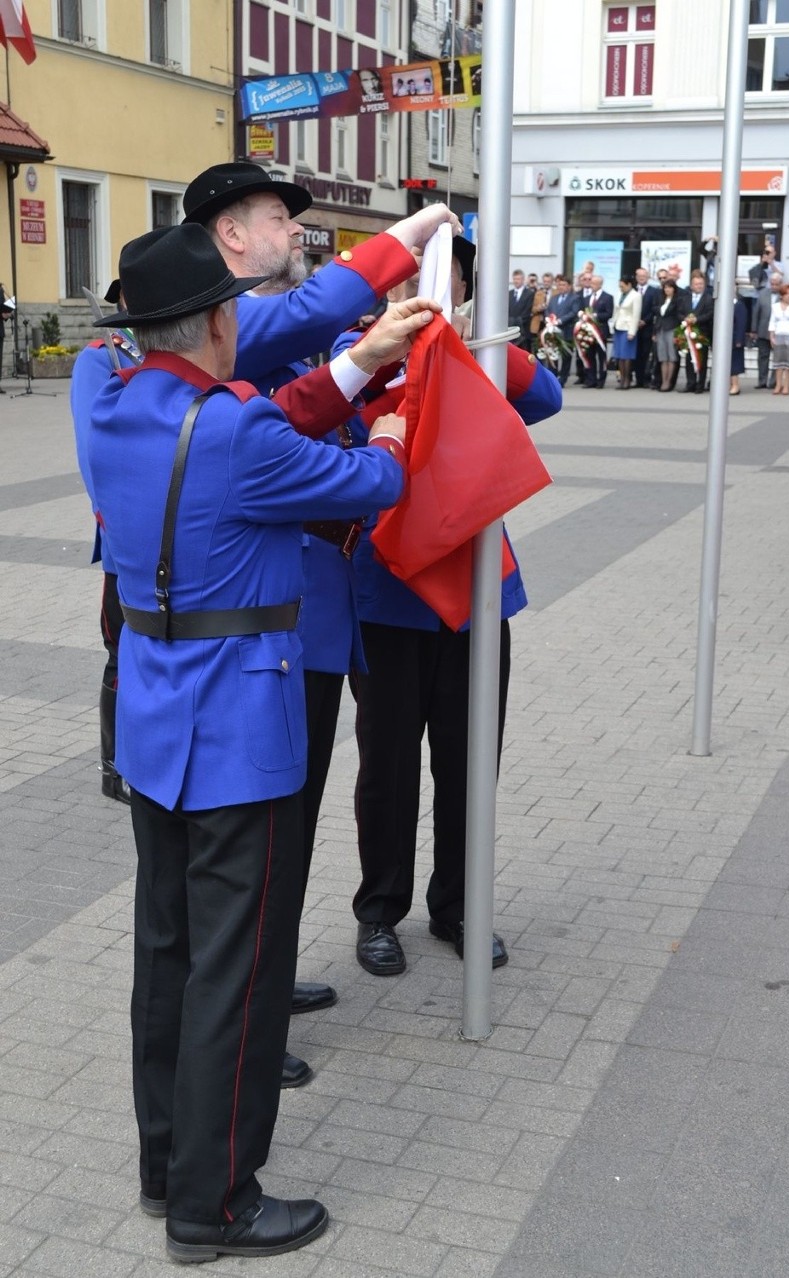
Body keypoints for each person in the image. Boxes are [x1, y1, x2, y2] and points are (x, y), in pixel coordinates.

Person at [87, 223, 436, 1262]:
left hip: (155, 721)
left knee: (168, 956)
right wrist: (391, 417)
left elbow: (254, 423)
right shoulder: (236, 431)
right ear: (222, 321)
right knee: (237, 975)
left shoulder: (101, 398)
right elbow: (373, 486)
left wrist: (351, 360)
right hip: (243, 728)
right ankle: (218, 1204)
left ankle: (167, 1169)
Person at [182, 160, 460, 1086]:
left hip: (316, 615)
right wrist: (406, 241)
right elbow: (309, 360)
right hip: (270, 621)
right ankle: (248, 1015)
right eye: (276, 217)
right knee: (266, 827)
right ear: (229, 234)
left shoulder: (263, 330)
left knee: (288, 825)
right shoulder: (227, 321)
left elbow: (314, 387)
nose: (295, 233)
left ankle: (266, 982)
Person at [331, 242, 562, 978]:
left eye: (437, 273)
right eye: (402, 273)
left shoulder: (479, 352)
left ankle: (460, 907)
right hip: (389, 592)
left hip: (474, 592)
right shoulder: (357, 348)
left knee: (469, 761)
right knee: (387, 768)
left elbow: (547, 398)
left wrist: (470, 342)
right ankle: (380, 912)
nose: (417, 284)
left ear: (462, 282)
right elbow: (351, 404)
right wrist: (403, 352)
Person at [70, 282, 143, 803]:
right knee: (122, 653)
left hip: (173, 537)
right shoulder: (101, 358)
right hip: (127, 542)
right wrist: (117, 525)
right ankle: (114, 766)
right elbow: (95, 453)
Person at [679, 270, 714, 394]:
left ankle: (700, 385)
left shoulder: (709, 299)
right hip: (687, 334)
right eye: (696, 284)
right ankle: (690, 383)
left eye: (701, 284)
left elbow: (710, 314)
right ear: (691, 285)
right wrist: (685, 319)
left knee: (701, 360)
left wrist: (696, 319)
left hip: (702, 334)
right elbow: (679, 312)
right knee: (689, 360)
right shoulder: (685, 298)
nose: (699, 286)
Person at [749, 271, 784, 389]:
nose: (774, 286)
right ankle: (762, 381)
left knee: (777, 358)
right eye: (772, 283)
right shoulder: (763, 293)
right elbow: (756, 312)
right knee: (762, 357)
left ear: (781, 284)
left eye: (776, 284)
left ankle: (773, 382)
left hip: (779, 332)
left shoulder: (785, 295)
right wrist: (753, 330)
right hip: (763, 330)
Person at [652, 277, 683, 392]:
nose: (667, 290)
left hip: (672, 329)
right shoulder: (661, 300)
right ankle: (663, 381)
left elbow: (678, 316)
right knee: (662, 357)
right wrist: (654, 332)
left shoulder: (677, 300)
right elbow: (657, 316)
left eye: (669, 287)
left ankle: (669, 381)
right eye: (665, 287)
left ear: (674, 289)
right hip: (661, 329)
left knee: (671, 356)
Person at [612, 275, 641, 389]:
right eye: (619, 286)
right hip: (618, 326)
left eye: (623, 286)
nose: (621, 288)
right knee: (619, 355)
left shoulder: (636, 296)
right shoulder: (619, 294)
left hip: (628, 328)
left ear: (629, 285)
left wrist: (632, 331)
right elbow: (616, 310)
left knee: (627, 356)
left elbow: (636, 314)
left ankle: (627, 379)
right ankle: (622, 379)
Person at [584, 275, 613, 388]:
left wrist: (595, 316)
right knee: (590, 356)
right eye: (591, 283)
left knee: (601, 357)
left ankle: (601, 380)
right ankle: (591, 380)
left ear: (600, 284)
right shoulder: (587, 298)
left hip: (601, 332)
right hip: (588, 332)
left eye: (595, 283)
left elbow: (609, 314)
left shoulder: (607, 297)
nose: (592, 285)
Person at [633, 267, 656, 388]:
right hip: (633, 328)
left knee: (646, 354)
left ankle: (646, 379)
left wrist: (644, 321)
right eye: (639, 276)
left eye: (644, 276)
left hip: (647, 327)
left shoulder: (654, 291)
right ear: (636, 277)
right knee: (636, 354)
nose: (641, 278)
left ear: (648, 277)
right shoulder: (632, 290)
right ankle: (638, 379)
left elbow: (654, 309)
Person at [508, 269, 534, 351]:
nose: (516, 281)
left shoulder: (529, 293)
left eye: (518, 279)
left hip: (524, 331)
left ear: (523, 279)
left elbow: (528, 311)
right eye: (515, 279)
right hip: (511, 331)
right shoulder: (509, 294)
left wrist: (518, 321)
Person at [729, 293, 749, 395]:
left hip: (735, 339)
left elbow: (741, 324)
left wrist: (739, 340)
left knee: (734, 364)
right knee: (727, 364)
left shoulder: (739, 305)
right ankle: (729, 384)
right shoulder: (724, 304)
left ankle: (735, 385)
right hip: (726, 339)